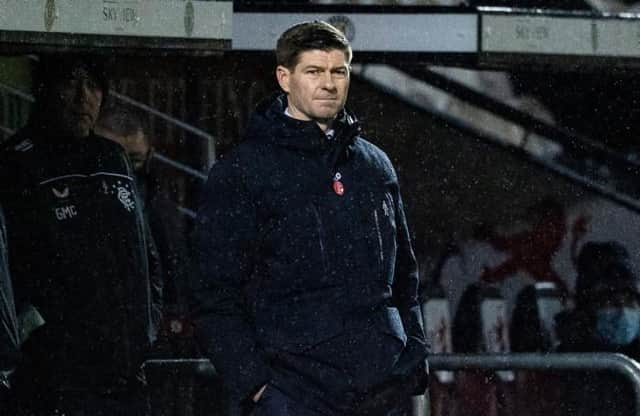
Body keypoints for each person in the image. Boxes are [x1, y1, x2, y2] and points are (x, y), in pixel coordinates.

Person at [189, 21, 429, 416]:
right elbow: (213, 292)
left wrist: (412, 358)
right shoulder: (244, 170)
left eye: (339, 71)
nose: (329, 84)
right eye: (314, 71)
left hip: (382, 392)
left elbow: (405, 277)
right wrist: (256, 387)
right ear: (285, 77)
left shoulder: (375, 166)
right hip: (294, 394)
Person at [0, 54, 162, 415]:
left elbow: (144, 251)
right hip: (54, 374)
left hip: (124, 367)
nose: (83, 97)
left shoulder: (112, 157)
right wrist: (32, 335)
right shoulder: (15, 162)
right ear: (46, 90)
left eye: (92, 86)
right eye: (71, 83)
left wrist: (144, 331)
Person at [553, 241, 640, 416]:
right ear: (587, 311)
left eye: (630, 303)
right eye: (610, 303)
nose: (623, 312)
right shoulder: (576, 365)